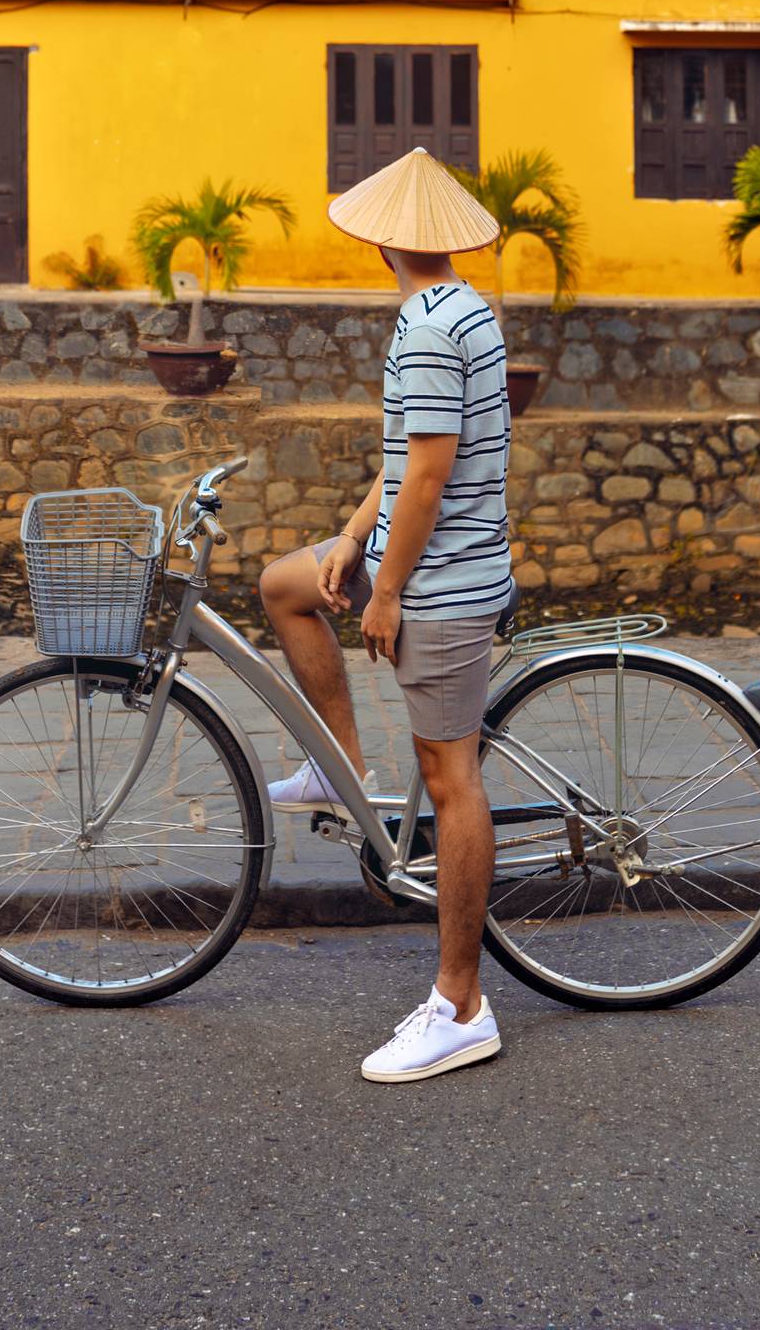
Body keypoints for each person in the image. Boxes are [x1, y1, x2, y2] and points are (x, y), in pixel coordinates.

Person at [257, 147, 513, 1085]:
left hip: (442, 585)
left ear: (381, 245)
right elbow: (404, 459)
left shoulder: (428, 329)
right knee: (288, 586)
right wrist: (350, 539)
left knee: (452, 783)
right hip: (424, 559)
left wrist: (391, 588)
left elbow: (434, 477)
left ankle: (460, 1005)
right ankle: (342, 771)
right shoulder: (453, 309)